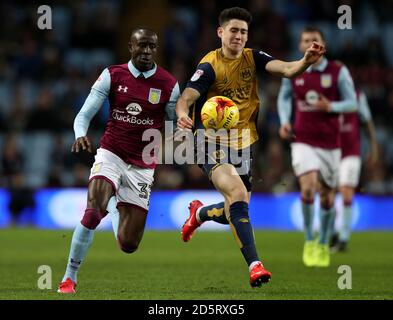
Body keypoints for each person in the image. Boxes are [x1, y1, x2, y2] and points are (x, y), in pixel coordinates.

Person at [176, 7, 325, 287]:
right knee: (238, 193)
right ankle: (255, 265)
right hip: (208, 141)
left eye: (243, 31)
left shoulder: (252, 58)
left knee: (237, 204)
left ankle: (198, 213)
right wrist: (183, 113)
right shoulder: (209, 66)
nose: (239, 36)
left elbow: (286, 69)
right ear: (221, 32)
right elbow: (188, 96)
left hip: (243, 142)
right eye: (234, 30)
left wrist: (305, 61)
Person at [57, 28, 180, 293]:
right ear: (131, 47)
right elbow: (83, 115)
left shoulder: (169, 84)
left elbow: (174, 125)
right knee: (91, 213)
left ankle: (114, 205)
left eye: (152, 46)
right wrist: (80, 134)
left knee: (128, 245)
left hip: (143, 166)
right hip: (110, 154)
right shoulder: (112, 75)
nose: (147, 51)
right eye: (142, 45)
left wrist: (182, 130)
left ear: (156, 49)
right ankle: (70, 276)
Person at [277, 27, 357, 267]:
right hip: (303, 140)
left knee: (327, 197)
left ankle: (323, 241)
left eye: (315, 40)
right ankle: (310, 240)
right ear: (301, 46)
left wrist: (331, 107)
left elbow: (353, 103)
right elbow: (284, 97)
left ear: (323, 45)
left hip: (331, 144)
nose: (309, 44)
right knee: (308, 188)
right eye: (305, 41)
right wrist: (284, 121)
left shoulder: (337, 71)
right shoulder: (294, 70)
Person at [330, 89, 378, 252]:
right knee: (328, 193)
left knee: (346, 191)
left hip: (351, 153)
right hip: (331, 152)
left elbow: (368, 122)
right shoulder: (328, 94)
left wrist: (374, 147)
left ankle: (343, 239)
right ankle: (332, 233)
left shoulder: (358, 96)